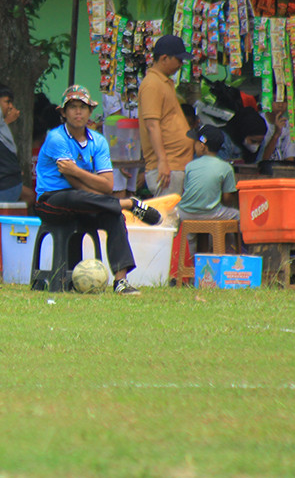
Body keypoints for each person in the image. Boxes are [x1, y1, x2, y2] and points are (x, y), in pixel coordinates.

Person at [35, 85, 162, 297]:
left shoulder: (98, 141)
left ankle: (121, 281)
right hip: (52, 201)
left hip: (88, 202)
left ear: (90, 112)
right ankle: (129, 204)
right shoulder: (56, 138)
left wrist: (78, 171)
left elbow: (107, 185)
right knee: (73, 196)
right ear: (63, 113)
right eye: (73, 107)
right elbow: (73, 182)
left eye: (83, 107)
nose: (78, 112)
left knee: (113, 215)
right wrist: (88, 182)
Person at [138, 34, 194, 196]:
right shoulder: (152, 84)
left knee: (173, 217)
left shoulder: (163, 82)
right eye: (178, 60)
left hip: (175, 164)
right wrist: (162, 161)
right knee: (167, 218)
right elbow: (152, 125)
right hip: (167, 166)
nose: (180, 65)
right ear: (164, 58)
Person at [177, 125, 239, 222]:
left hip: (184, 213)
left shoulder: (190, 165)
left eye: (196, 142)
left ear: (202, 147)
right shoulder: (226, 167)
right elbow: (227, 199)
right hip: (211, 214)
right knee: (237, 215)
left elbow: (186, 190)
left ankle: (194, 237)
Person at [260, 100, 295, 164]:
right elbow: (262, 160)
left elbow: (290, 158)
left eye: (284, 101)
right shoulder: (259, 121)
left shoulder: (289, 125)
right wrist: (277, 133)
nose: (280, 105)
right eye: (275, 100)